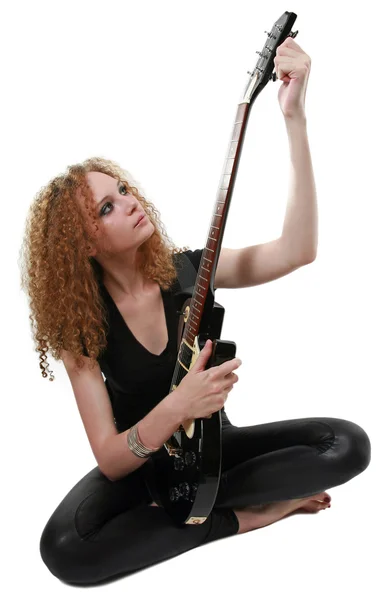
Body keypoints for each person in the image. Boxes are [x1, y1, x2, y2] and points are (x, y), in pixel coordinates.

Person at [19, 39, 371, 586]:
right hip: (142, 472)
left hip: (214, 457)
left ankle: (193, 513)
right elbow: (113, 459)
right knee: (64, 549)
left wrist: (294, 119)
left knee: (347, 445)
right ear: (82, 244)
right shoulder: (80, 327)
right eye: (107, 207)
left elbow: (297, 250)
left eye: (124, 190)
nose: (131, 202)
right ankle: (243, 516)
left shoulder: (188, 271)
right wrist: (180, 402)